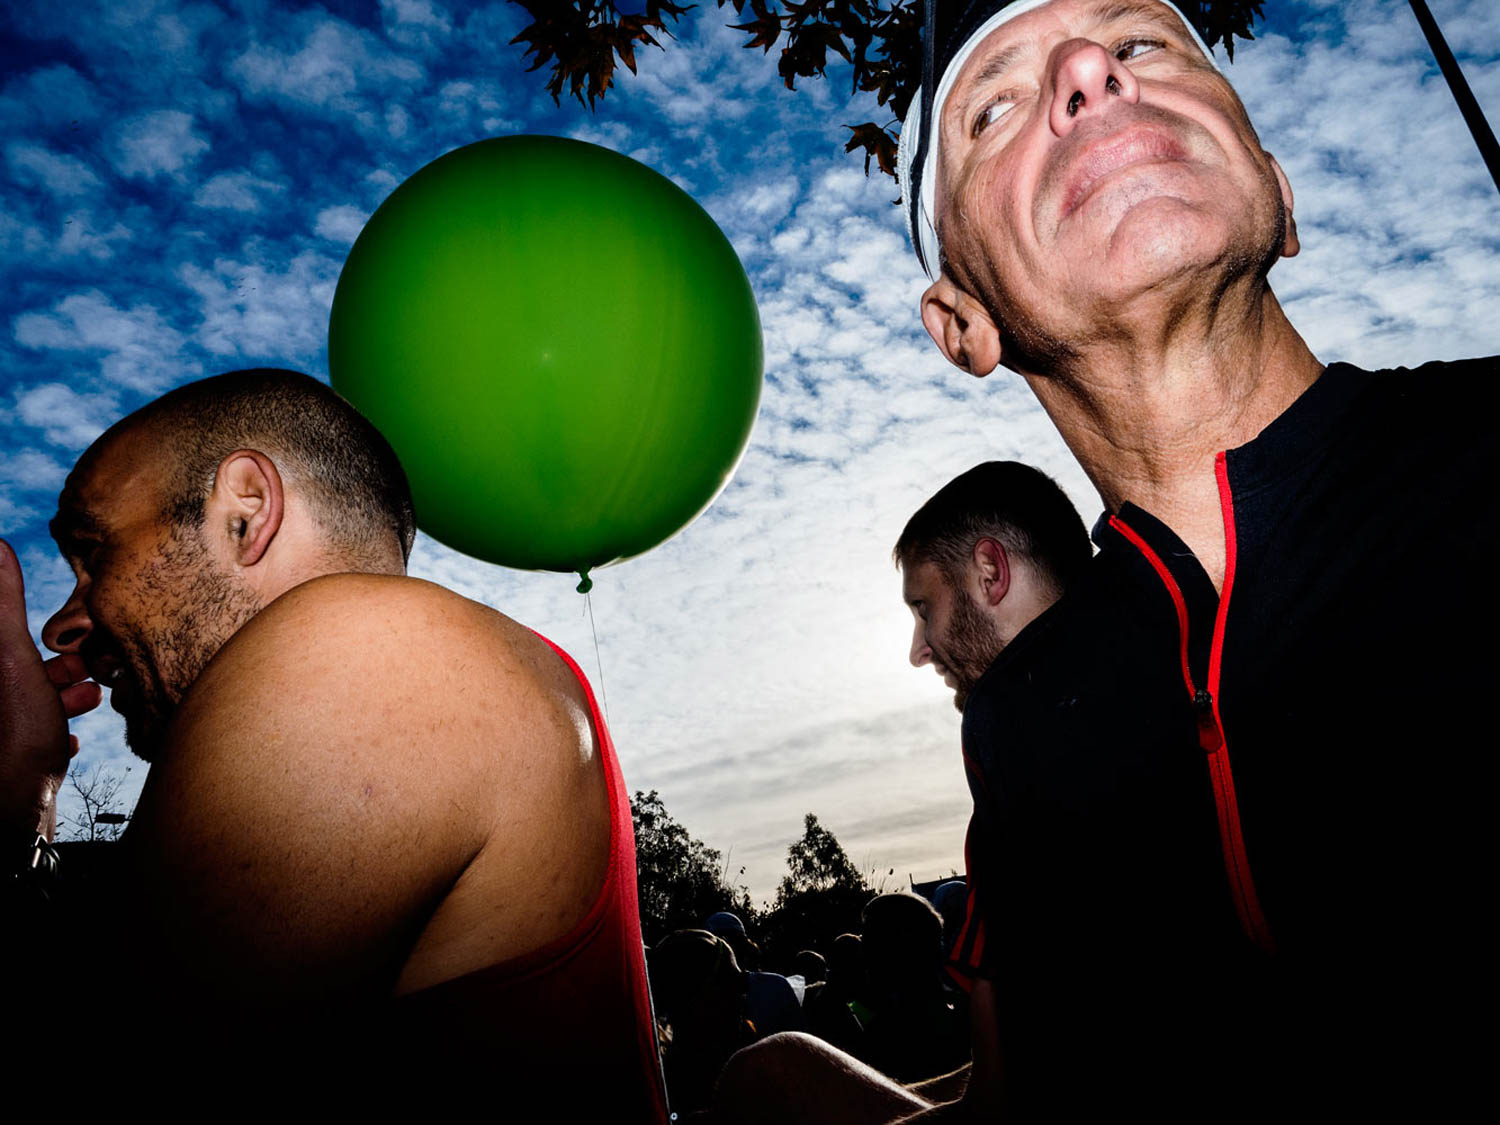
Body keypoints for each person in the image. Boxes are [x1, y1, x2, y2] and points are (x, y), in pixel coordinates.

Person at [0, 368, 668, 1116]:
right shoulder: (451, 668)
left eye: (94, 553)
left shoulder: (371, 646)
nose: (62, 624)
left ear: (245, 514)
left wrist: (11, 810)